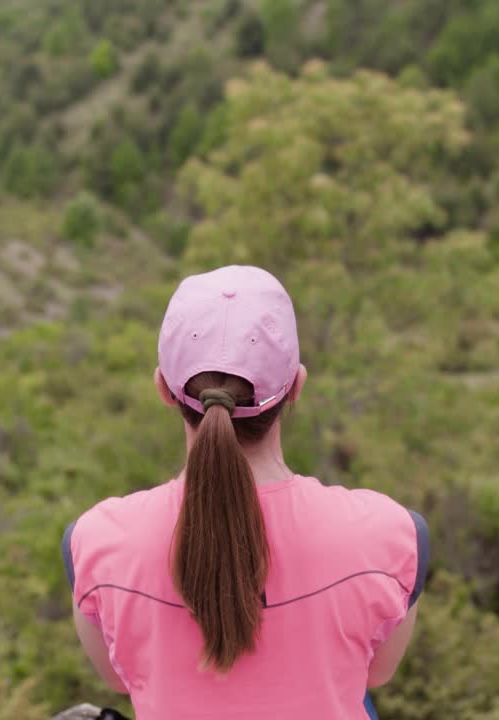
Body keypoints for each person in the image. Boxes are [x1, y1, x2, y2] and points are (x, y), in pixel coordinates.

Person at [61, 265, 429, 720]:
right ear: (296, 386)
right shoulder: (391, 535)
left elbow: (118, 677)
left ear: (163, 388)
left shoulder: (96, 542)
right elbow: (378, 672)